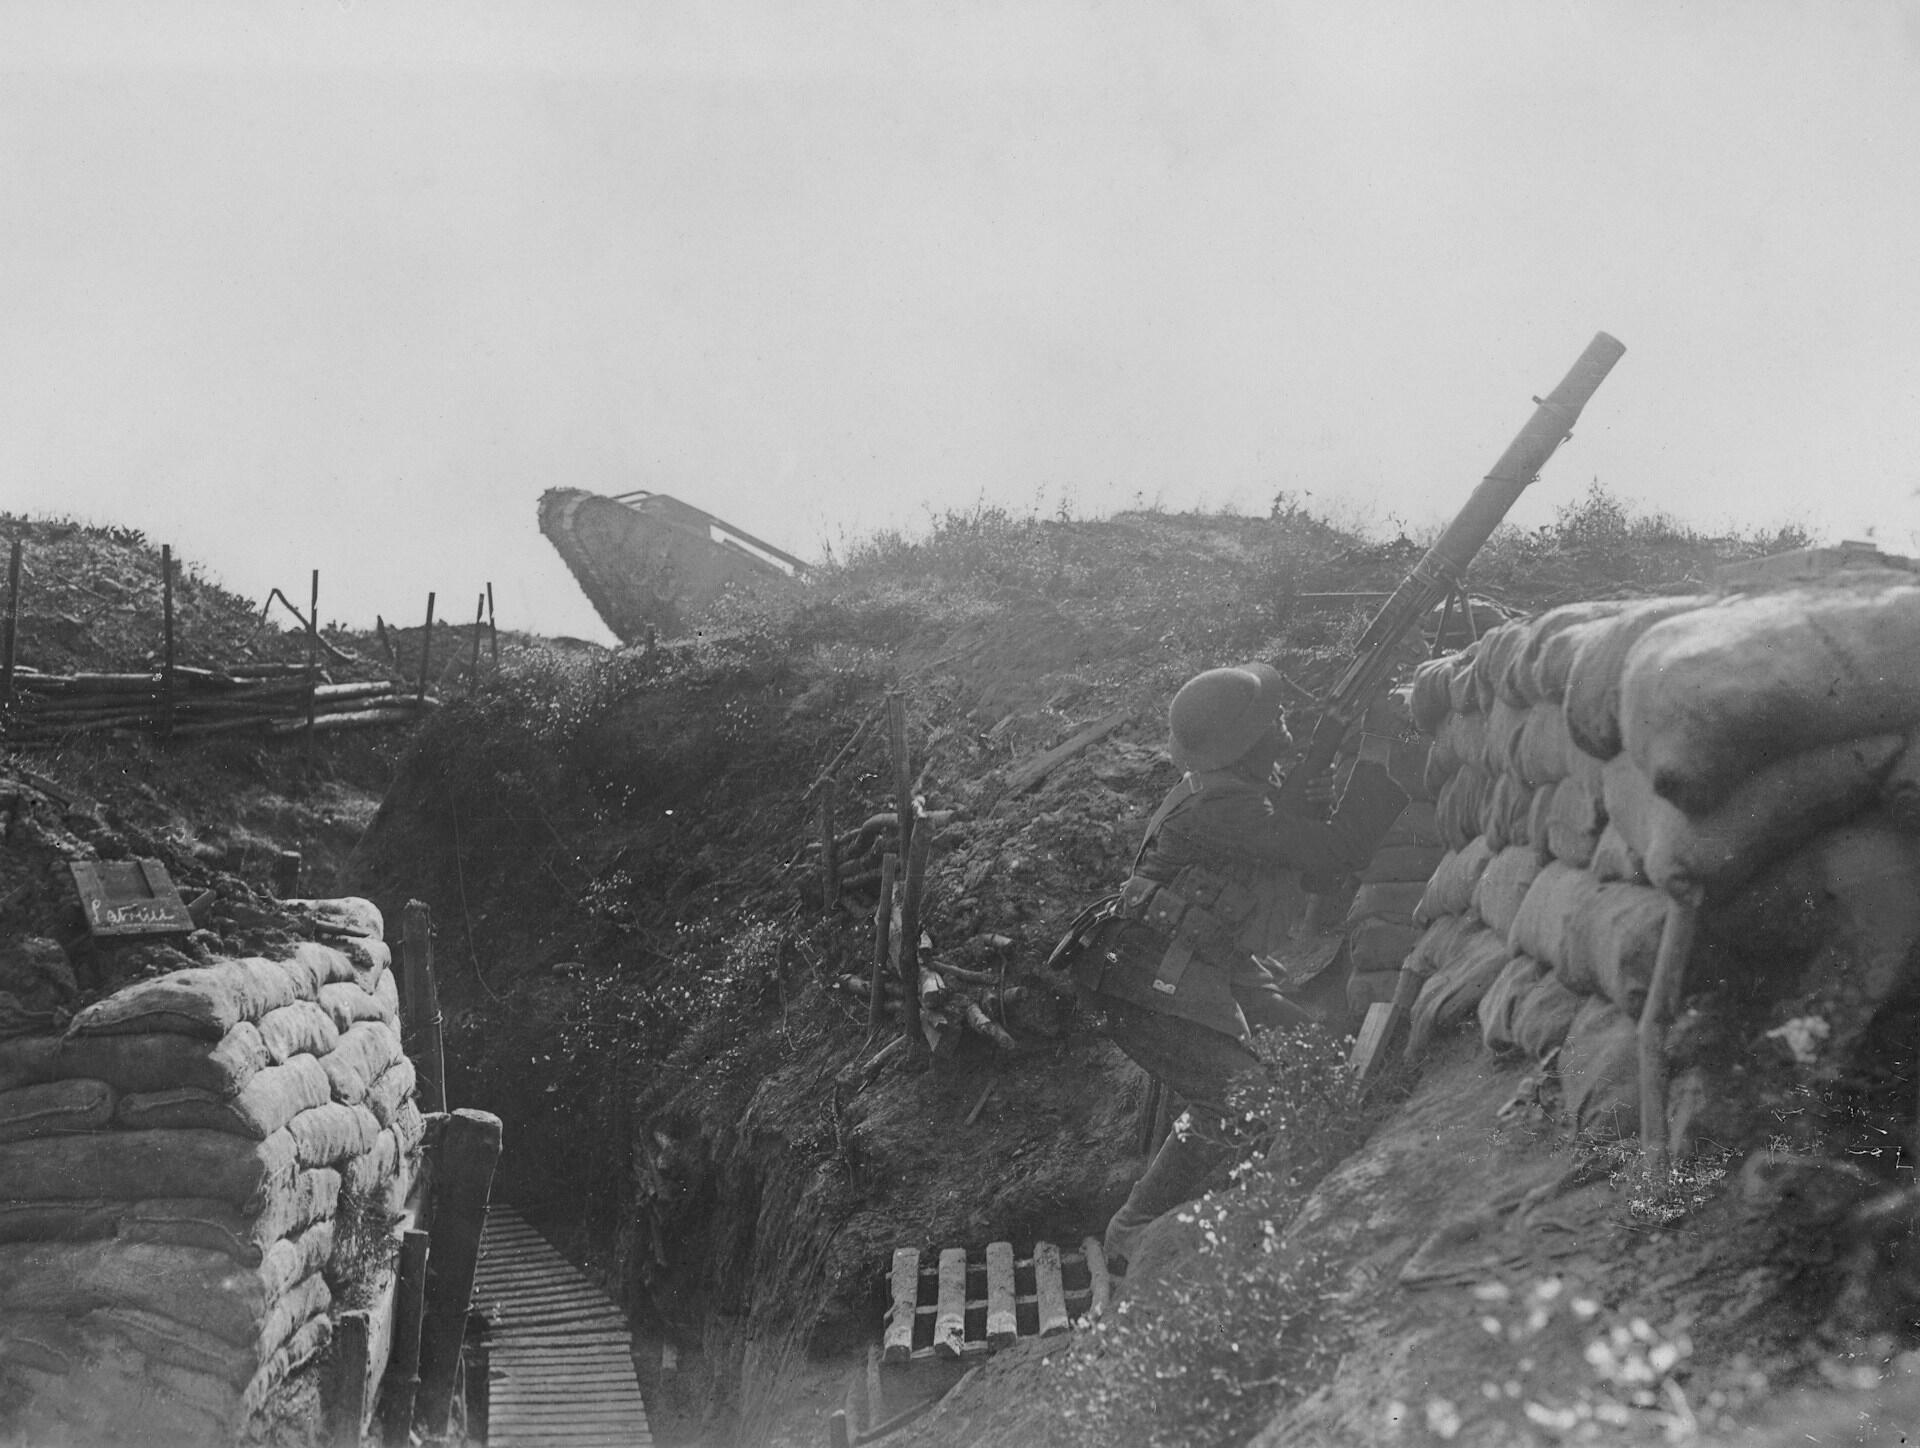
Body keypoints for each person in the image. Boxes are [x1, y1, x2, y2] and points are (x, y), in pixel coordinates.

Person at [1056, 662, 1409, 1272]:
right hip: (1149, 984)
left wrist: (1310, 803)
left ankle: (1260, 1196)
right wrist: (1376, 750)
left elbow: (1317, 870)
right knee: (1243, 1101)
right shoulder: (1224, 809)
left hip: (1204, 966)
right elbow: (1339, 850)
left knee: (1313, 1055)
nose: (1283, 725)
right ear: (1244, 743)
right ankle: (1135, 1226)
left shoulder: (1234, 795)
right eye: (1270, 719)